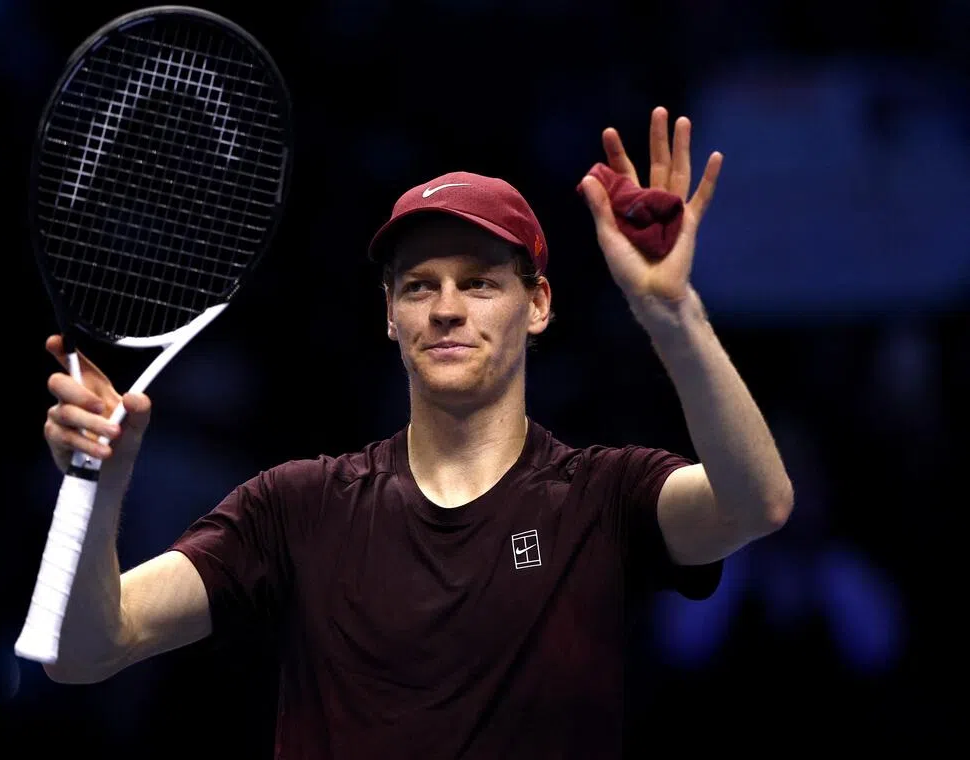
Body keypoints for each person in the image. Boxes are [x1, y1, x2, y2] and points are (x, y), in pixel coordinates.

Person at [38, 106, 794, 759]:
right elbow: (81, 653)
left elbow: (756, 504)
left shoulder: (602, 497)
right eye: (419, 286)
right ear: (389, 316)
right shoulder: (297, 508)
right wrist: (92, 491)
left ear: (537, 306)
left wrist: (671, 312)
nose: (446, 308)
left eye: (479, 282)